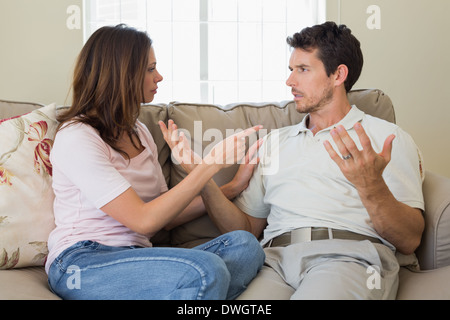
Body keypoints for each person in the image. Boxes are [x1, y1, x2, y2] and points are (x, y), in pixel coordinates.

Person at [169, 21, 425, 299]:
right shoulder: (273, 142)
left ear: (338, 74)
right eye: (291, 70)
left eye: (303, 70)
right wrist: (202, 178)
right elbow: (245, 229)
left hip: (347, 257)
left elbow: (409, 240)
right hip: (272, 263)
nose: (290, 81)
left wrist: (371, 186)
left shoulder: (385, 138)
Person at [45, 24, 265, 300]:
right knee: (205, 271)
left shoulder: (139, 132)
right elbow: (144, 221)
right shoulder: (78, 137)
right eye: (150, 69)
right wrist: (210, 164)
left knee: (245, 246)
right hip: (82, 262)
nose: (159, 77)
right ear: (122, 74)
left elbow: (165, 217)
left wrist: (231, 187)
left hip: (139, 258)